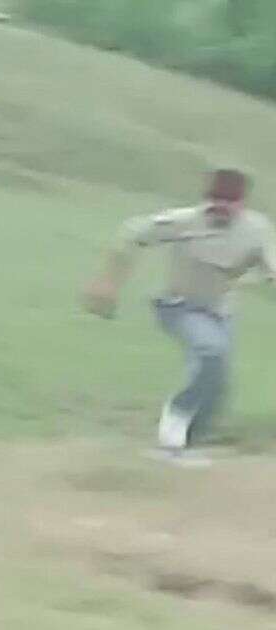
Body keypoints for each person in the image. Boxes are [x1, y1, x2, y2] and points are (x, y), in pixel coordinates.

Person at [82, 169, 276, 460]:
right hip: (178, 306)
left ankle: (189, 442)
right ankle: (173, 430)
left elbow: (271, 268)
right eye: (215, 200)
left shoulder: (256, 229)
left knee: (217, 383)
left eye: (229, 201)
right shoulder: (184, 221)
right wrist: (108, 282)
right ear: (206, 198)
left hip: (220, 312)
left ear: (242, 203)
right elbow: (132, 234)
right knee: (211, 351)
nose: (221, 207)